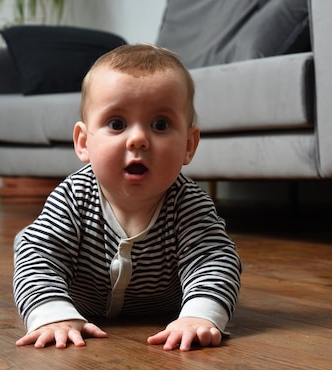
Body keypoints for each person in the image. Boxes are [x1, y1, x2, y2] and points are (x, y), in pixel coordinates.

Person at [13, 43, 241, 351]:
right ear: (83, 142)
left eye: (160, 124)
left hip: (161, 310)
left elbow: (215, 261)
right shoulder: (72, 198)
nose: (138, 139)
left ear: (189, 144)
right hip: (81, 304)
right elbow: (40, 259)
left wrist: (199, 316)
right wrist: (52, 315)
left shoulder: (189, 205)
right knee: (31, 244)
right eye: (117, 124)